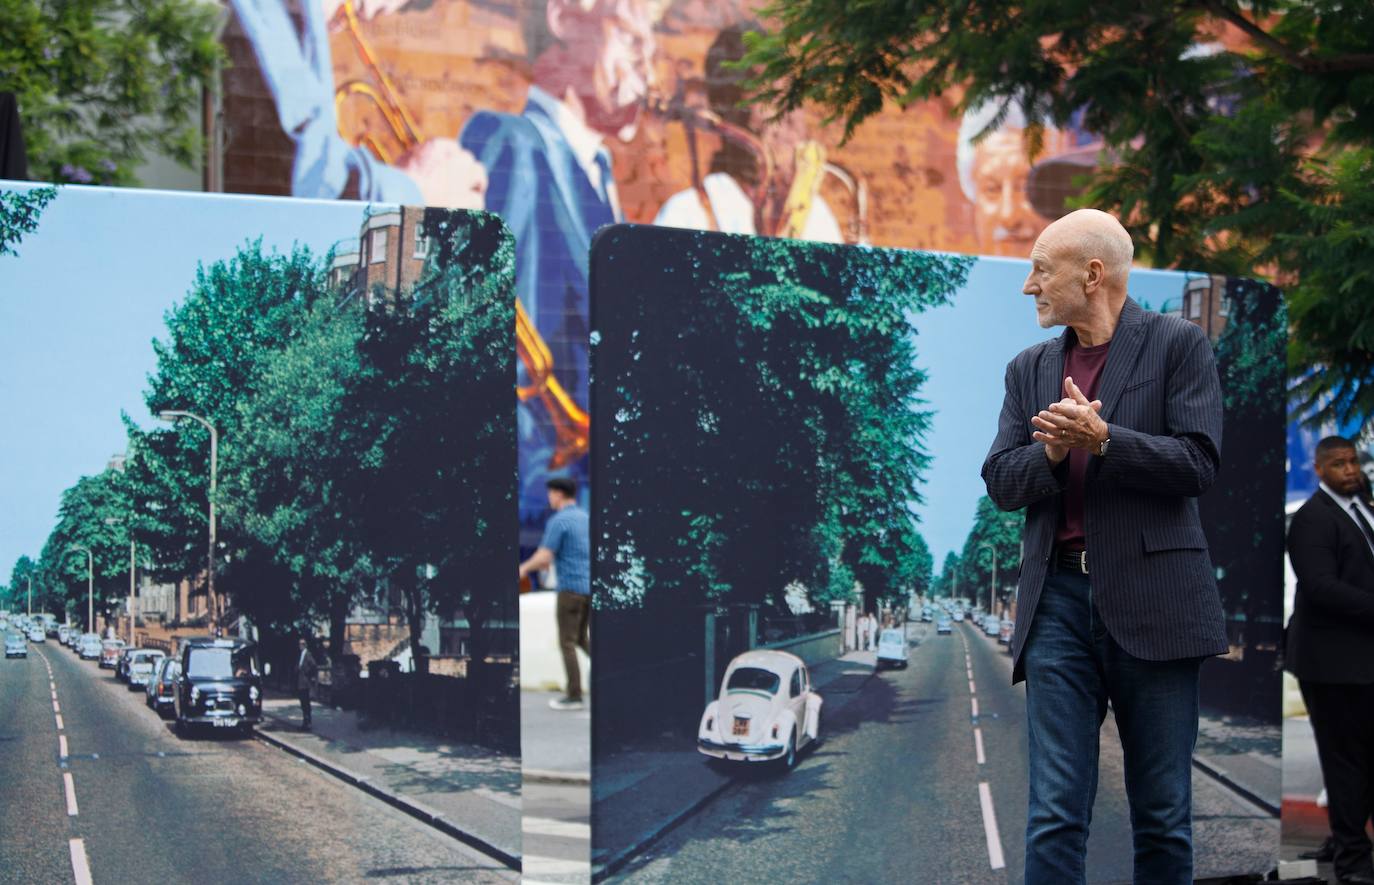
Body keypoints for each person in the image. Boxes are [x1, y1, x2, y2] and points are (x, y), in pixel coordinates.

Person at [981, 208, 1228, 884]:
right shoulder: (1026, 369)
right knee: (1055, 810)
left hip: (1158, 601)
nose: (1029, 285)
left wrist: (1108, 440)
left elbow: (1198, 463)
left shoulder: (1180, 346)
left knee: (1162, 813)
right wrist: (1053, 452)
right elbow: (1002, 481)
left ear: (1092, 275)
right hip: (1057, 602)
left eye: (1040, 269)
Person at [653, 26, 844, 243]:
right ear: (726, 108)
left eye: (792, 94)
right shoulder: (685, 216)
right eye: (770, 94)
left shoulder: (817, 217)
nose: (791, 115)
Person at [1286, 435, 1374, 885]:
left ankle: (1349, 845)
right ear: (1319, 470)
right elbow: (1321, 587)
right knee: (1345, 765)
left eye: (1353, 461)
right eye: (1339, 465)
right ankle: (1353, 865)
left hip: (1364, 663)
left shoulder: (1364, 510)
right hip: (1331, 665)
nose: (1350, 471)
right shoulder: (1311, 520)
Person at [519, 478, 591, 711]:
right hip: (588, 589)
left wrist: (523, 568)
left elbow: (544, 557)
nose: (549, 498)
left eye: (550, 494)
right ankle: (611, 678)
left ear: (558, 494)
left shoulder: (559, 521)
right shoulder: (585, 518)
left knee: (567, 642)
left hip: (569, 589)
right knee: (581, 639)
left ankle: (574, 694)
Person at [296, 637, 319, 731]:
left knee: (306, 704)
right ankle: (305, 723)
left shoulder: (308, 654)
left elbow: (314, 665)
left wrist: (309, 675)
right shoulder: (301, 654)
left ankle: (308, 723)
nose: (300, 646)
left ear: (305, 645)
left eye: (302, 644)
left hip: (305, 683)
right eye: (299, 644)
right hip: (300, 683)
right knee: (303, 704)